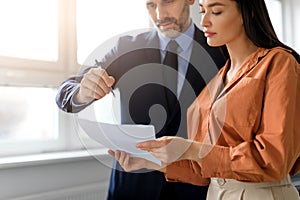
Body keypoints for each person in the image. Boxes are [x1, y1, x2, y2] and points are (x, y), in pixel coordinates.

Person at [109, 0, 300, 199]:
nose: (205, 21)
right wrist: (149, 162)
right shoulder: (219, 78)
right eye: (202, 11)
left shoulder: (280, 63)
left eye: (216, 12)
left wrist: (191, 148)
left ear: (248, 13)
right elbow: (204, 172)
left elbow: (274, 159)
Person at [56, 0, 227, 199]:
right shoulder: (127, 48)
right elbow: (65, 92)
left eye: (168, 2)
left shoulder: (221, 52)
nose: (160, 15)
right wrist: (82, 92)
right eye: (151, 5)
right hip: (132, 185)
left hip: (194, 188)